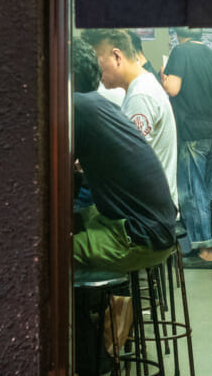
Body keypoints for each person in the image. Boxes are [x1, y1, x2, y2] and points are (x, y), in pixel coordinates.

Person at [70, 38, 177, 273]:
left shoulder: (76, 106)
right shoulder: (100, 104)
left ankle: (88, 309)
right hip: (156, 227)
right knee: (78, 216)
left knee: (48, 251)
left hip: (141, 237)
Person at [82, 28, 178, 213]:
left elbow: (127, 161)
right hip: (149, 204)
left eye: (97, 62)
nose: (94, 70)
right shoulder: (140, 87)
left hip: (148, 212)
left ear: (117, 56)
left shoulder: (141, 95)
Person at [162, 28, 212, 269]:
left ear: (176, 32)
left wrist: (163, 77)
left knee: (191, 191)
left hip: (192, 131)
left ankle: (205, 250)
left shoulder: (180, 51)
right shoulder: (210, 53)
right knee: (203, 189)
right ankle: (203, 244)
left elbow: (173, 89)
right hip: (211, 128)